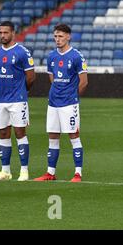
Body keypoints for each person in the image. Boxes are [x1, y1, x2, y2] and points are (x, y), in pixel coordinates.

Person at [34, 23, 88, 182]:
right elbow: (52, 79)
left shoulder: (76, 56)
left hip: (69, 104)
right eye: (56, 36)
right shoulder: (51, 56)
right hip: (53, 103)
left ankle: (78, 173)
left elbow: (83, 82)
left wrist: (72, 97)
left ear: (68, 37)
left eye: (61, 36)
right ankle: (50, 173)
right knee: (53, 136)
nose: (57, 39)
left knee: (74, 136)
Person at [0, 21, 35, 181]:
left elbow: (31, 77)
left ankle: (24, 170)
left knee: (20, 133)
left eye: (5, 32)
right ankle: (5, 171)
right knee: (3, 133)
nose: (2, 35)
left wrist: (22, 90)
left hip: (18, 99)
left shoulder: (22, 52)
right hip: (0, 99)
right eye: (0, 32)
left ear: (13, 33)